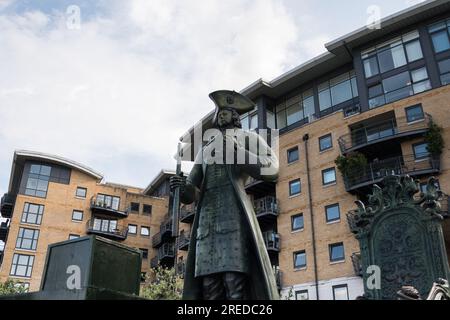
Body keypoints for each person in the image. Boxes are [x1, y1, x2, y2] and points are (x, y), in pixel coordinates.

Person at [170, 90, 279, 300]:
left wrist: (239, 152)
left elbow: (272, 168)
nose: (221, 115)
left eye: (226, 111)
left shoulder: (248, 138)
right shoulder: (206, 149)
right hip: (207, 220)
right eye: (219, 112)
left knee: (233, 281)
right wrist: (182, 187)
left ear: (236, 115)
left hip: (233, 214)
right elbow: (191, 191)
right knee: (209, 286)